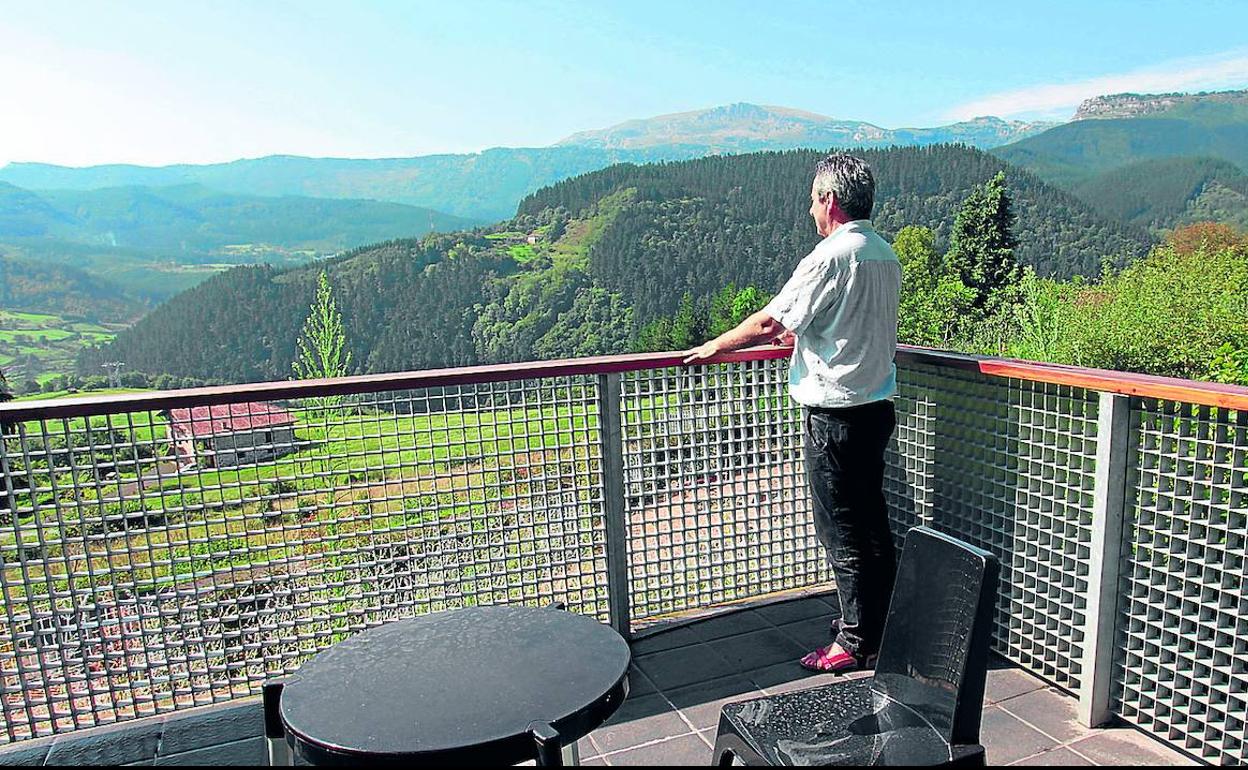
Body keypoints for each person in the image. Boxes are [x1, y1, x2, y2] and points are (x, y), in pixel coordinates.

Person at [684, 153, 900, 672]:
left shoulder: (829, 257)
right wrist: (803, 333)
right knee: (872, 525)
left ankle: (854, 640)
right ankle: (882, 620)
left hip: (835, 416)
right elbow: (846, 322)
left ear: (830, 199)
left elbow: (766, 324)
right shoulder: (883, 254)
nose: (809, 210)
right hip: (876, 408)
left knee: (841, 531)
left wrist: (715, 346)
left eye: (812, 199)